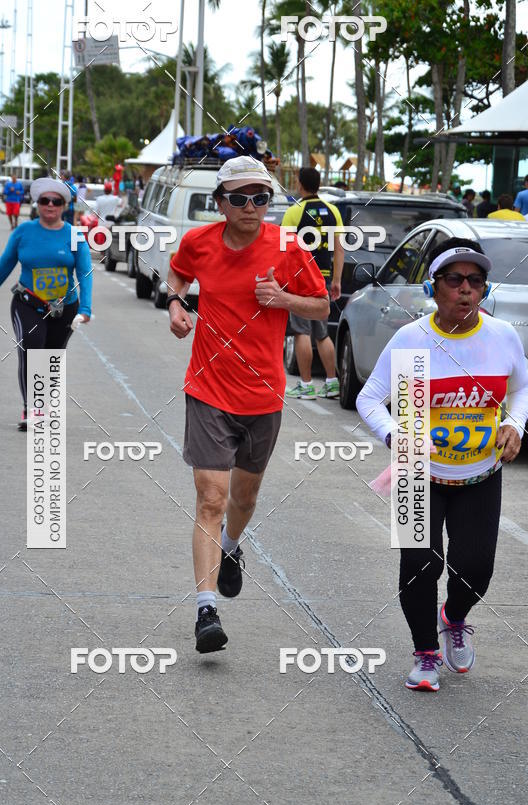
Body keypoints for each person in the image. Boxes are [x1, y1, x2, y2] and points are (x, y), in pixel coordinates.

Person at [166, 155, 329, 654]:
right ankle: (206, 610)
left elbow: (322, 305)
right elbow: (176, 277)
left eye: (261, 197)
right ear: (220, 203)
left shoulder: (287, 246)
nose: (251, 206)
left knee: (244, 499)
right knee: (211, 499)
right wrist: (176, 305)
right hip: (208, 389)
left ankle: (232, 548)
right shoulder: (199, 242)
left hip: (262, 394)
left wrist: (283, 299)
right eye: (239, 198)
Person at [356, 237, 528, 692]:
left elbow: (522, 389)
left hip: (480, 474)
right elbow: (369, 398)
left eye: (476, 280)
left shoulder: (501, 336)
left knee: (476, 570)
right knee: (419, 565)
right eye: (455, 279)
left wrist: (515, 423)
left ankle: (453, 617)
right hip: (417, 471)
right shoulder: (412, 340)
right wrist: (395, 435)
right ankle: (425, 654)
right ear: (433, 288)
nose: (466, 289)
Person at [0, 177, 93, 430]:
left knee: (52, 358)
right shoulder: (23, 232)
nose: (50, 205)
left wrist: (85, 308)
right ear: (37, 203)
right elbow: (6, 263)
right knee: (32, 349)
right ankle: (32, 408)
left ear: (64, 206)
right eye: (45, 200)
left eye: (56, 201)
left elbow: (84, 273)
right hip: (27, 304)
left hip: (64, 308)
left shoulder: (74, 235)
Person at [281, 166, 344, 400]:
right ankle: (332, 382)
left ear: (300, 184)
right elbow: (339, 249)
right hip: (323, 277)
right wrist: (336, 280)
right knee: (322, 332)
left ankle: (306, 385)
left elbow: (283, 249)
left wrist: (283, 280)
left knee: (301, 331)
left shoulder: (294, 212)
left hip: (301, 279)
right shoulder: (333, 211)